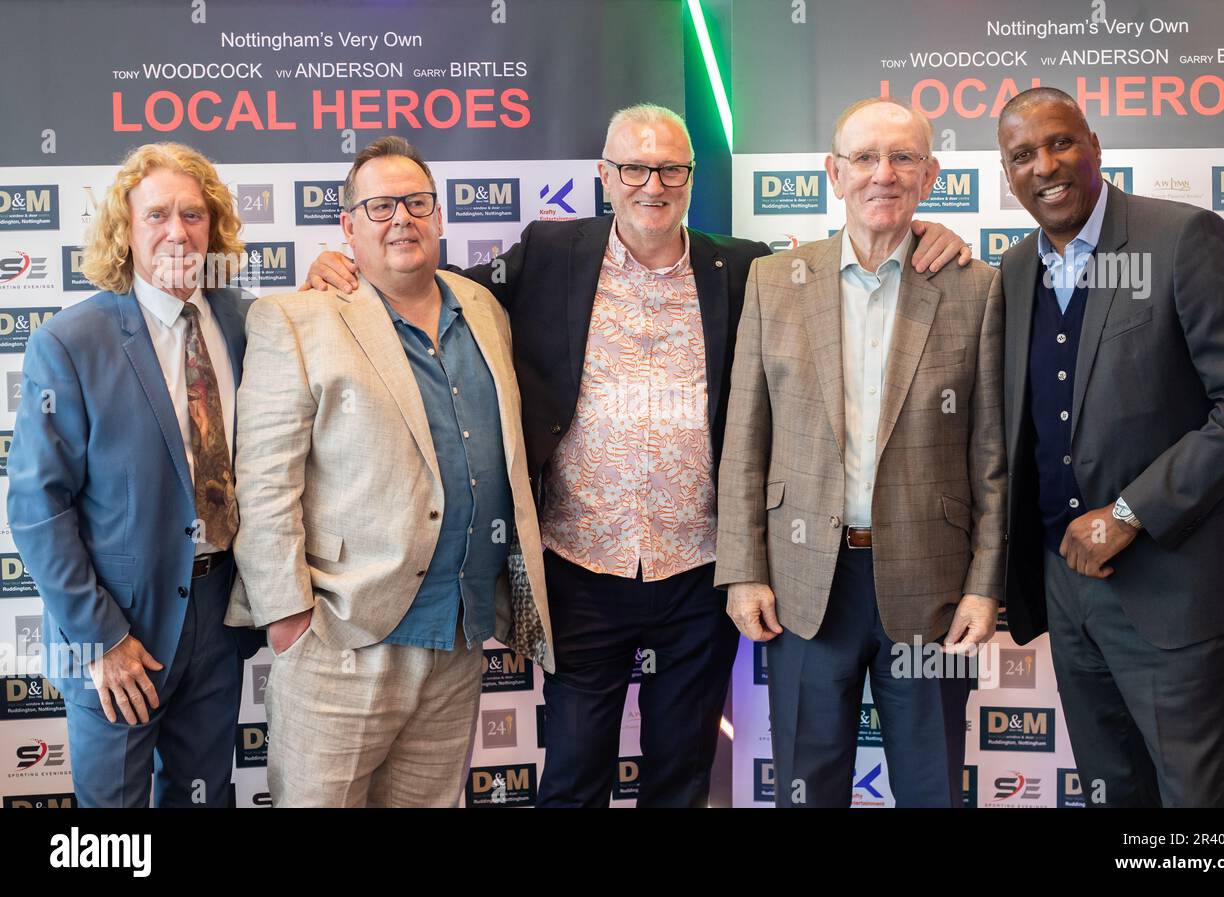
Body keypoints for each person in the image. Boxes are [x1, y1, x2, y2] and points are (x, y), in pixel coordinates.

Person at [304, 104, 971, 807]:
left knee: (680, 774)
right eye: (634, 168)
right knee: (571, 772)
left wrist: (926, 232)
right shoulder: (551, 252)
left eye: (670, 169)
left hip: (700, 572)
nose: (652, 184)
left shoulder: (745, 268)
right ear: (604, 176)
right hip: (579, 565)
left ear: (690, 176)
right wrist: (348, 267)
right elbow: (439, 295)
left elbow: (855, 260)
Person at [226, 136, 552, 807]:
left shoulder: (482, 308)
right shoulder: (295, 318)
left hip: (458, 639)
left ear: (438, 216)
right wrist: (289, 618)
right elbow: (263, 485)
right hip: (341, 640)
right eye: (378, 206)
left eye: (416, 202)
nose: (400, 217)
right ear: (347, 226)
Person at [997, 87, 1224, 807]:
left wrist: (1127, 513)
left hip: (1173, 584)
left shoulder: (1183, 238)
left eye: (1061, 142)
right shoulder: (1013, 270)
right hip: (1066, 589)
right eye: (1023, 155)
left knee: (1192, 801)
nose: (1046, 165)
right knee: (1110, 788)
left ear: (1095, 145)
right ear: (1007, 174)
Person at [716, 97, 1005, 808]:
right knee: (807, 791)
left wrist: (984, 583)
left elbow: (991, 453)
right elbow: (744, 440)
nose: (884, 173)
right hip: (804, 584)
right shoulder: (774, 282)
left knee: (932, 787)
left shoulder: (976, 287)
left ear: (930, 174)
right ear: (833, 172)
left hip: (931, 589)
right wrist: (743, 570)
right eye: (865, 158)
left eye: (903, 157)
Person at [7, 142, 262, 807]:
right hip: (118, 625)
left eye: (193, 214)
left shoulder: (248, 324)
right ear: (126, 229)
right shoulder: (70, 342)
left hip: (220, 611)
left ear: (215, 228)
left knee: (203, 796)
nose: (177, 231)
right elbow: (38, 508)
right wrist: (104, 639)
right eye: (156, 215)